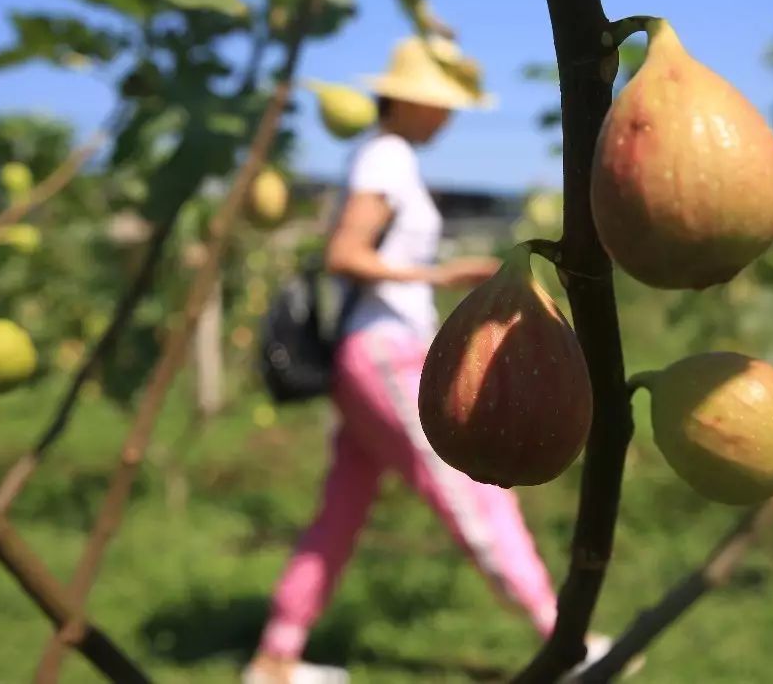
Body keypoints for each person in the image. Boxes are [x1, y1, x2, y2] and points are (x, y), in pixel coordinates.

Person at [244, 37, 617, 684]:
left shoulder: (386, 157)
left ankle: (275, 656)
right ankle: (568, 638)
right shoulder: (387, 158)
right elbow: (344, 252)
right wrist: (438, 273)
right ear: (412, 101)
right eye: (443, 105)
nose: (448, 118)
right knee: (476, 495)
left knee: (342, 508)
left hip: (367, 355)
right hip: (385, 352)